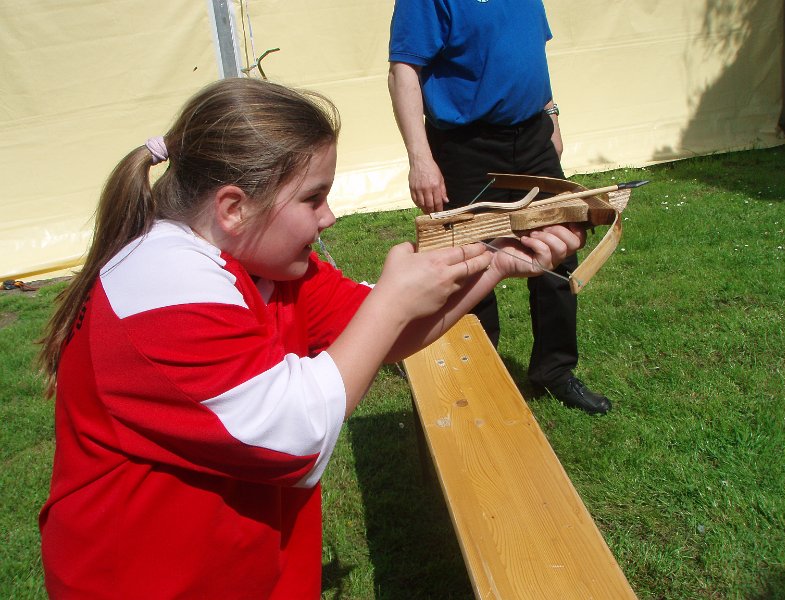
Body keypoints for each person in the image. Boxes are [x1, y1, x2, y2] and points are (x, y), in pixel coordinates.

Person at [37, 77, 583, 599]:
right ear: (234, 207)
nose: (330, 216)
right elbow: (291, 434)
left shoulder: (264, 263)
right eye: (313, 198)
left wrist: (495, 261)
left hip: (238, 569)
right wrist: (392, 301)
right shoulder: (159, 290)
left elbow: (380, 329)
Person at [388, 0, 611, 415]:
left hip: (532, 137)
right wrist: (421, 159)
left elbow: (530, 54)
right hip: (466, 145)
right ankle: (478, 373)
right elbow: (404, 72)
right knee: (470, 260)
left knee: (557, 253)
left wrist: (552, 116)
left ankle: (554, 371)